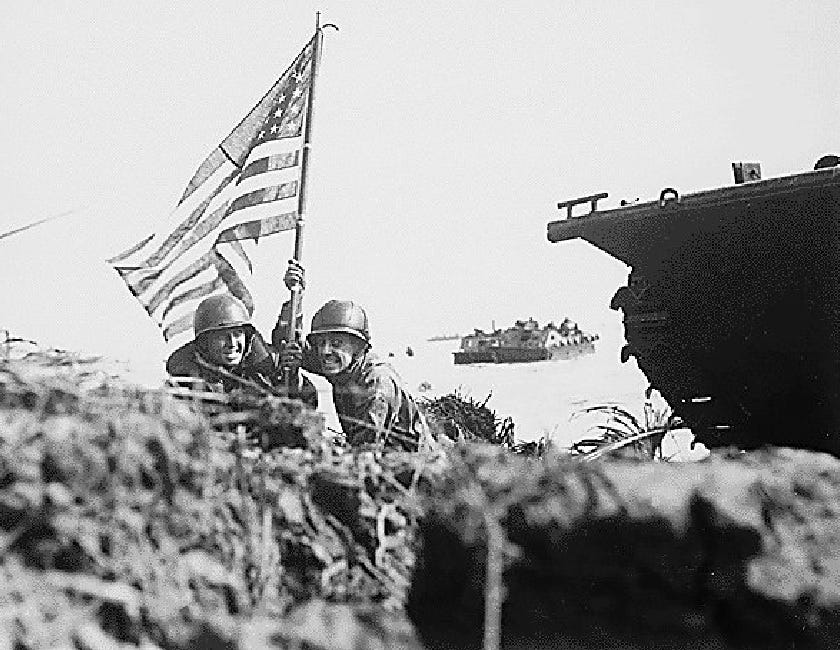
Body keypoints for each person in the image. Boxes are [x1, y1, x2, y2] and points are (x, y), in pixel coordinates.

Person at [276, 261, 430, 451]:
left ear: (358, 347)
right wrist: (295, 297)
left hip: (415, 465)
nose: (325, 351)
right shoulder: (341, 364)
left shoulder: (377, 383)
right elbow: (287, 344)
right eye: (321, 343)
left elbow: (365, 449)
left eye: (336, 343)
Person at [166, 293, 317, 408]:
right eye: (222, 336)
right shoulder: (186, 383)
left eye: (238, 334)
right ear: (205, 343)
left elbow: (307, 404)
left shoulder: (264, 373)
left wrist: (293, 377)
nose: (232, 343)